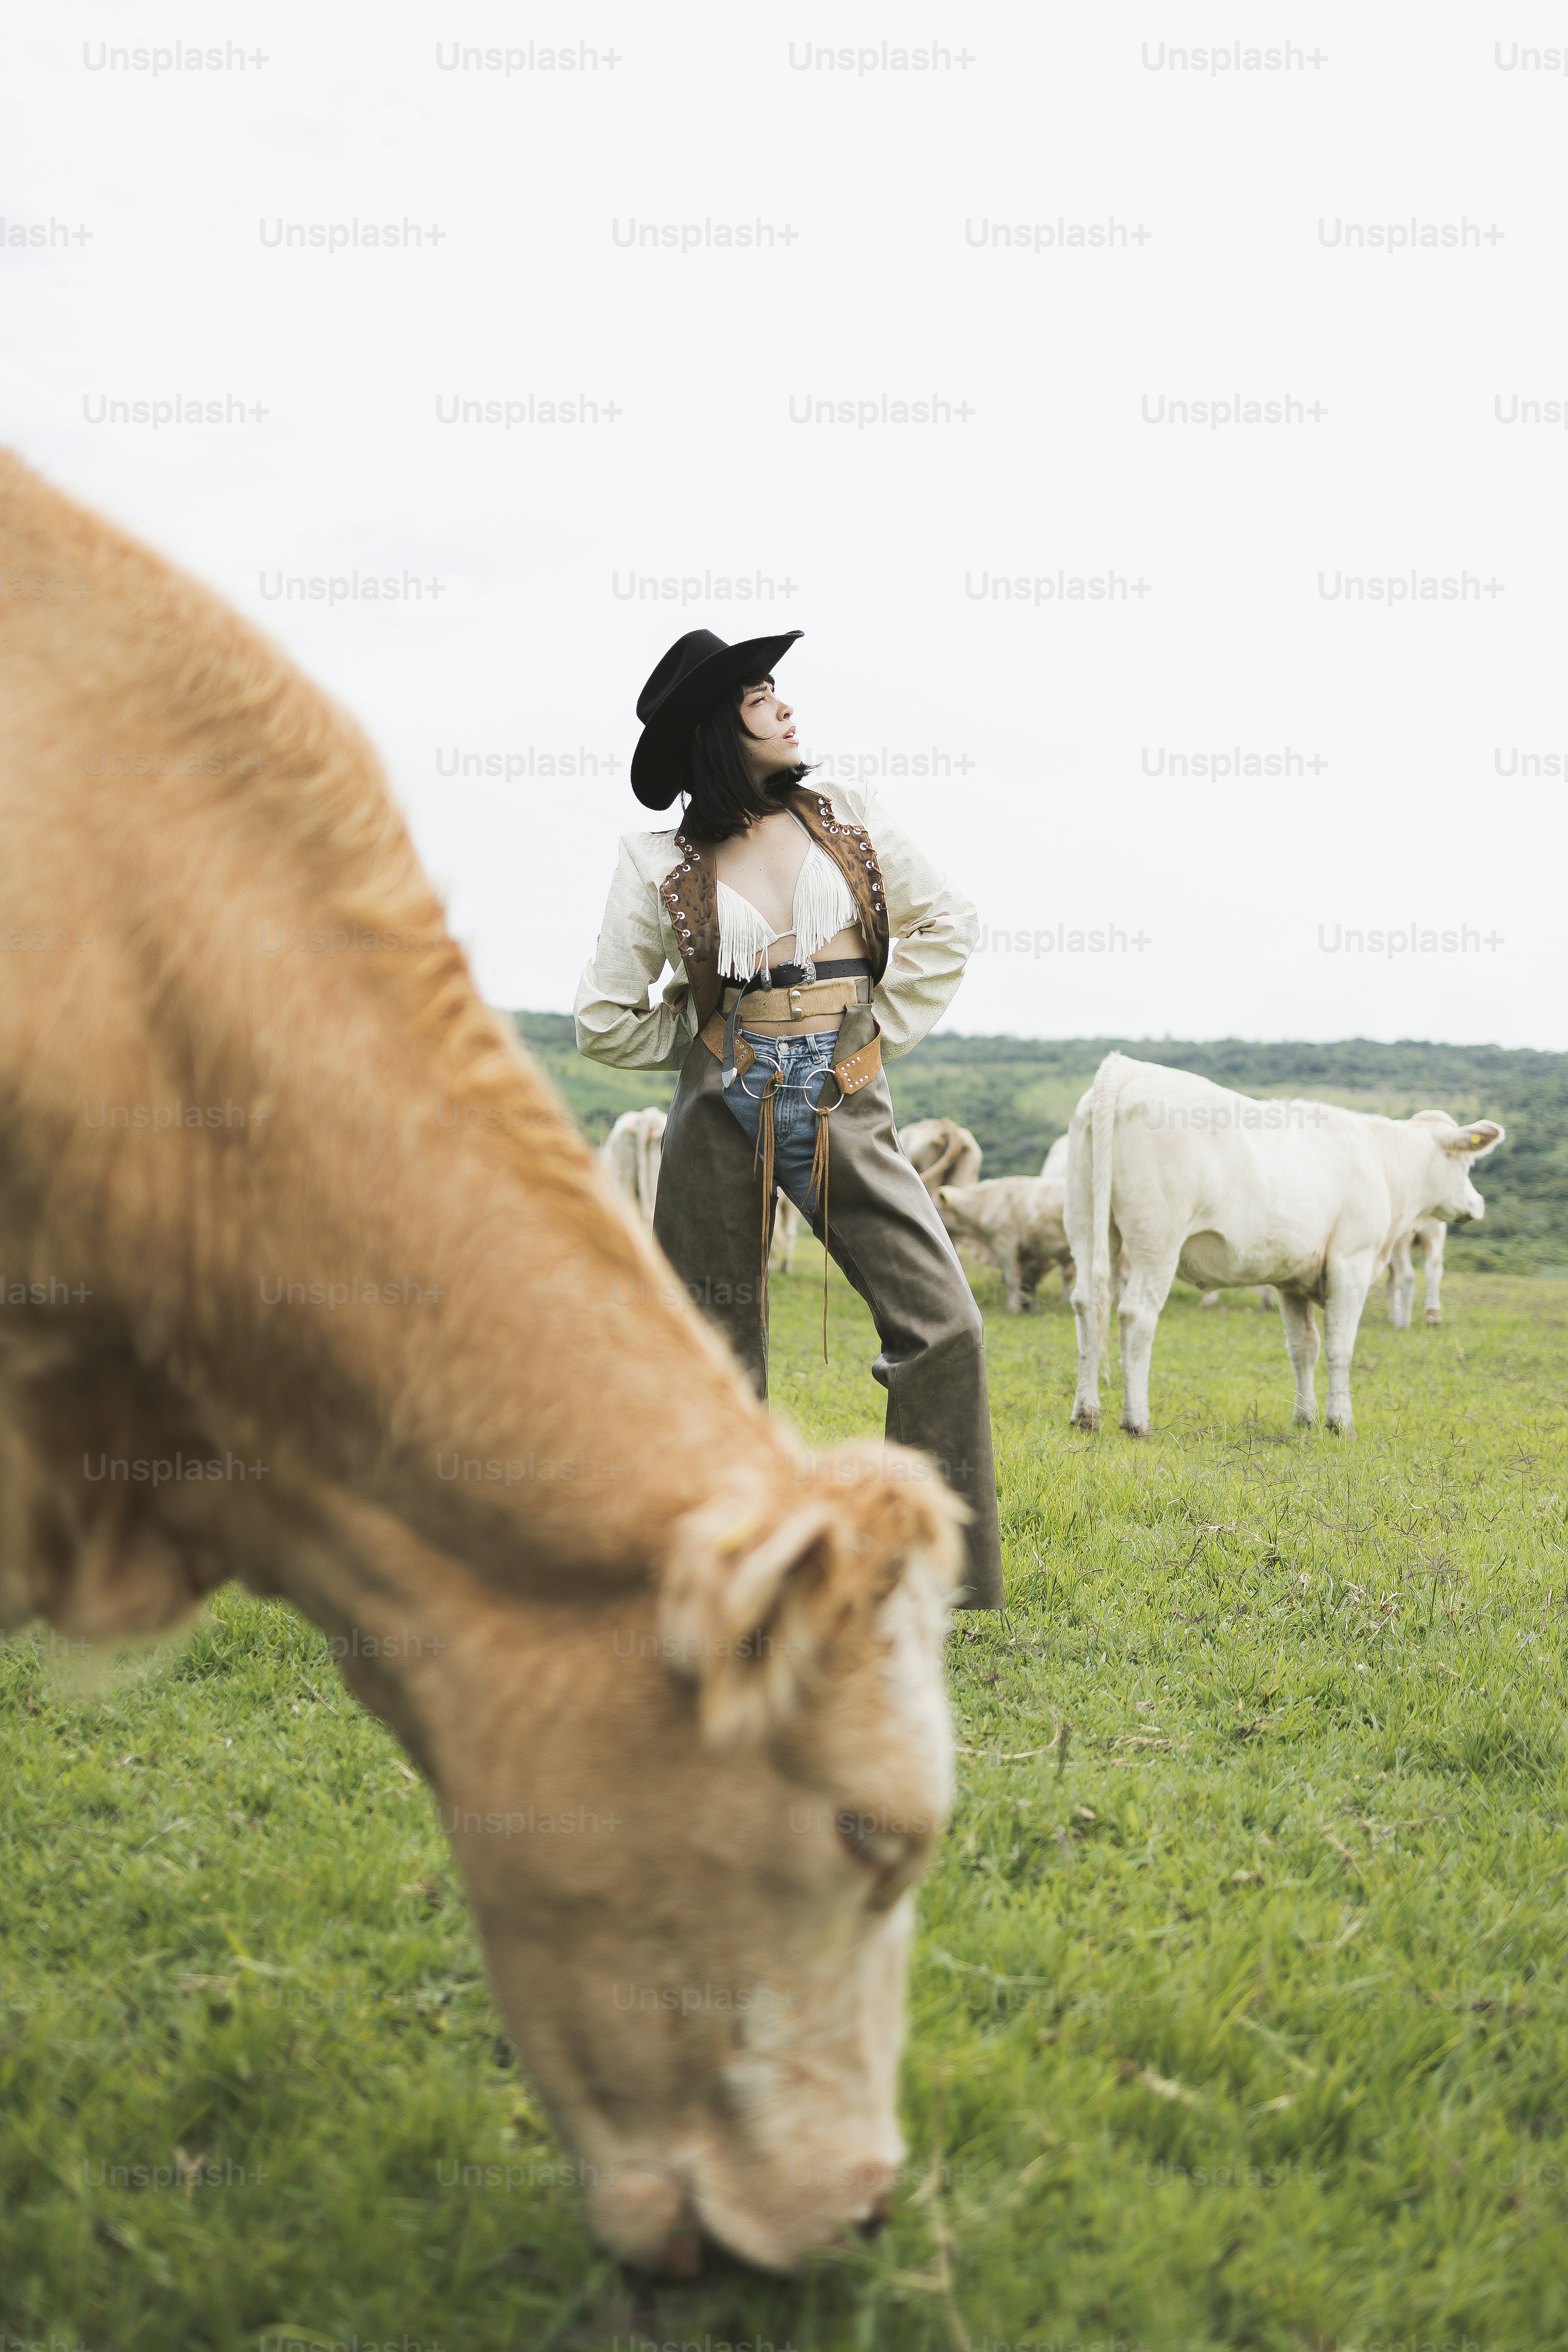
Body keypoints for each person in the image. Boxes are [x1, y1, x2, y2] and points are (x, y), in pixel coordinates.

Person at [574, 628, 1003, 1608]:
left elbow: (949, 922)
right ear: (719, 729)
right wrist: (704, 1036)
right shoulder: (657, 861)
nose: (784, 705)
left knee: (945, 1326)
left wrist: (873, 1038)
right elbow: (602, 1017)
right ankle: (719, 1567)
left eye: (776, 690)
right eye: (760, 695)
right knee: (712, 1345)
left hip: (841, 1092)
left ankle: (919, 1573)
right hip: (720, 1101)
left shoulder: (845, 816)